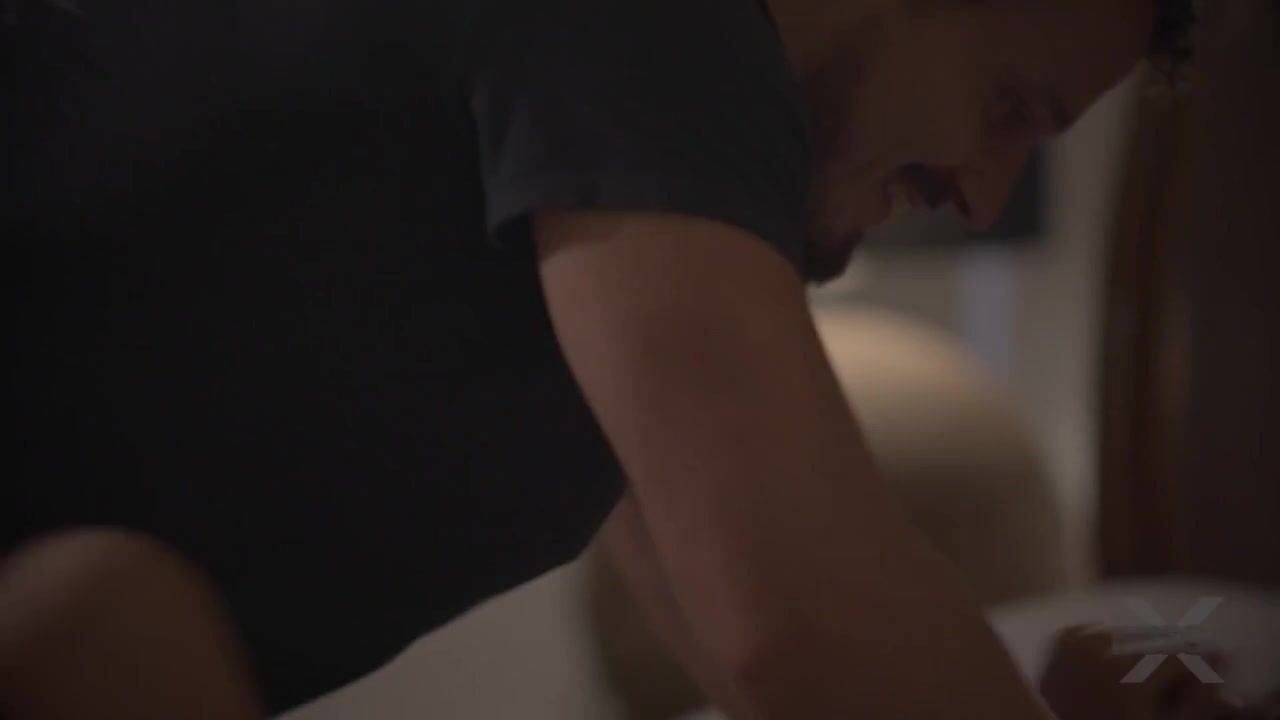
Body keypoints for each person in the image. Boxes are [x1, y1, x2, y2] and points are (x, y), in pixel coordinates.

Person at [1, 0, 1193, 716]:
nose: (984, 193)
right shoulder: (661, 26)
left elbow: (743, 615)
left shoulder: (616, 228)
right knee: (97, 620)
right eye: (1007, 107)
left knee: (98, 631)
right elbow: (794, 620)